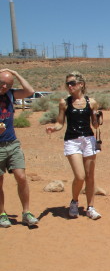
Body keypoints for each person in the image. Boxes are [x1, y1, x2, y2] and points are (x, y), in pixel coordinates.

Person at [45, 72, 102, 220]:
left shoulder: (92, 102)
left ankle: (90, 207)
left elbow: (95, 126)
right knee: (80, 175)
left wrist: (97, 117)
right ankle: (74, 201)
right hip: (72, 140)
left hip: (88, 140)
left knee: (90, 176)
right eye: (67, 84)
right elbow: (60, 123)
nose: (69, 86)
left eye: (72, 83)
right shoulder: (64, 103)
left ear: (81, 84)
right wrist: (53, 128)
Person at [0, 69, 39, 227]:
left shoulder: (10, 94)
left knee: (21, 177)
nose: (4, 86)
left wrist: (15, 74)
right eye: (2, 83)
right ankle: (2, 214)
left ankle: (26, 212)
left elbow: (30, 91)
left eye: (8, 85)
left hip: (12, 143)